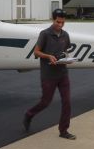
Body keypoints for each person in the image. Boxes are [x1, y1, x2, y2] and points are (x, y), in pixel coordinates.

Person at [23, 8, 76, 140]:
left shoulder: (65, 35)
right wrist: (48, 57)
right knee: (46, 102)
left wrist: (67, 59)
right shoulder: (45, 34)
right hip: (48, 75)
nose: (60, 25)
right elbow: (36, 52)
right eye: (58, 22)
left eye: (63, 22)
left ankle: (63, 130)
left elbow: (65, 51)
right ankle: (29, 114)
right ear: (53, 19)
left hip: (63, 73)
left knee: (67, 102)